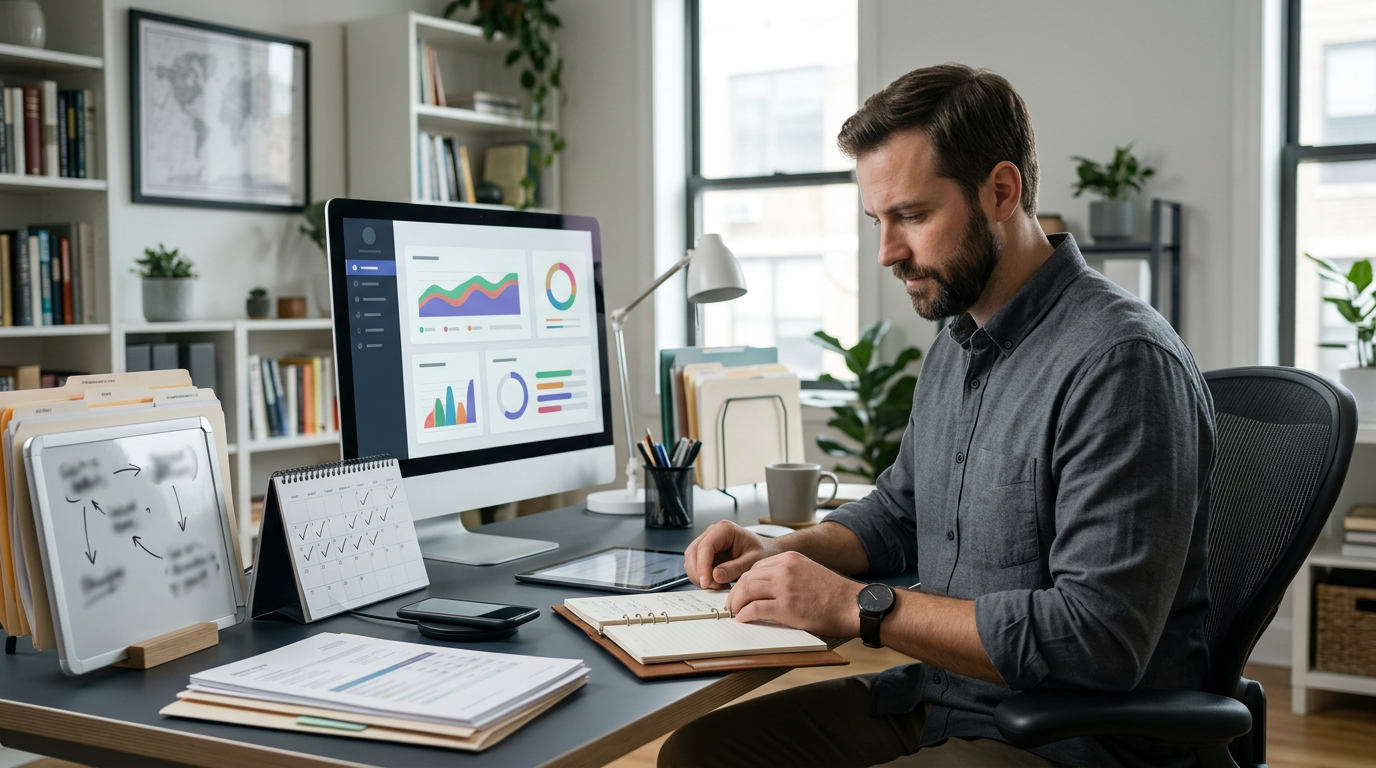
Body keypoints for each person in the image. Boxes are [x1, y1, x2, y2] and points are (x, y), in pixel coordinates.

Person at [658, 63, 1214, 768]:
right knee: (700, 754)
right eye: (878, 221)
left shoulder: (1120, 362)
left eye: (913, 216)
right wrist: (781, 550)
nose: (889, 252)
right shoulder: (959, 337)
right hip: (945, 699)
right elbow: (898, 514)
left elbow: (1095, 640)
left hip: (1076, 739)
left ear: (1001, 192)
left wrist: (860, 607)